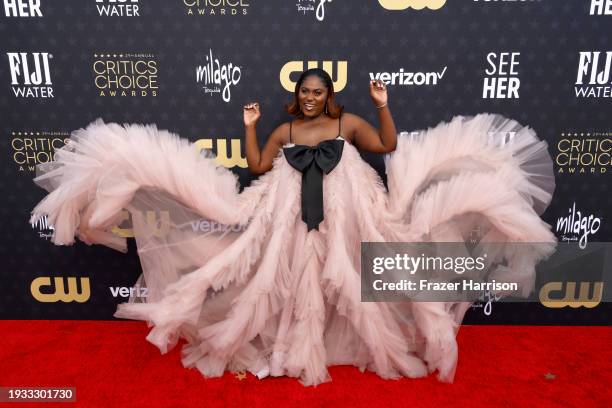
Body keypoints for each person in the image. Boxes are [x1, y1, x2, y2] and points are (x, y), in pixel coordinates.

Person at [30, 68, 556, 386]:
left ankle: (362, 343)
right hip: (286, 212)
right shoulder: (285, 127)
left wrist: (382, 105)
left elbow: (386, 146)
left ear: (328, 95)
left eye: (317, 91)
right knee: (282, 275)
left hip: (350, 211)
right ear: (296, 95)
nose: (310, 96)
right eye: (304, 90)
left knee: (348, 272)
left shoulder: (347, 123)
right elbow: (258, 165)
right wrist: (251, 127)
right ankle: (290, 348)